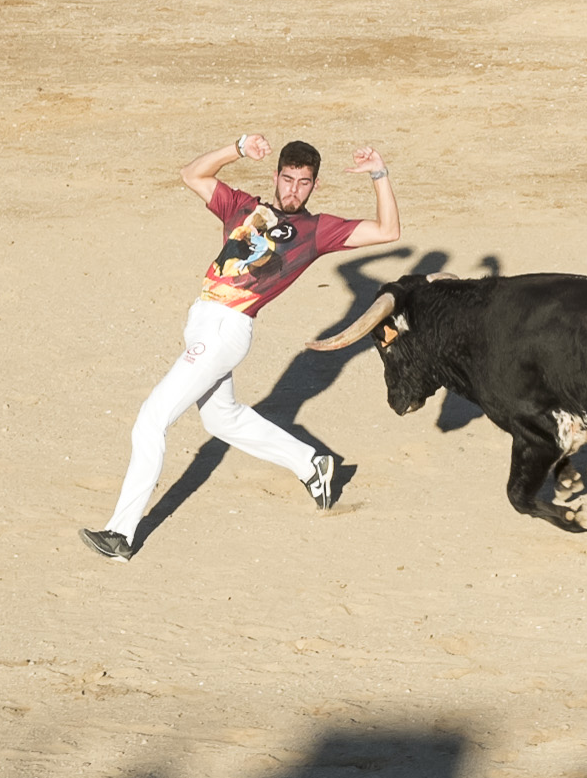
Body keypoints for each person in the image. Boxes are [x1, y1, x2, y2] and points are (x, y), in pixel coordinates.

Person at [78, 136, 402, 562]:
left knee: (151, 420)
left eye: (304, 183)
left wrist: (379, 174)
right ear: (276, 176)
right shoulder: (242, 207)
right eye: (288, 179)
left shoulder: (316, 230)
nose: (294, 190)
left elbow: (388, 230)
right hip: (202, 321)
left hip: (227, 329)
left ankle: (120, 534)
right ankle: (311, 465)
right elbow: (192, 174)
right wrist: (237, 148)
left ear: (315, 186)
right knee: (222, 418)